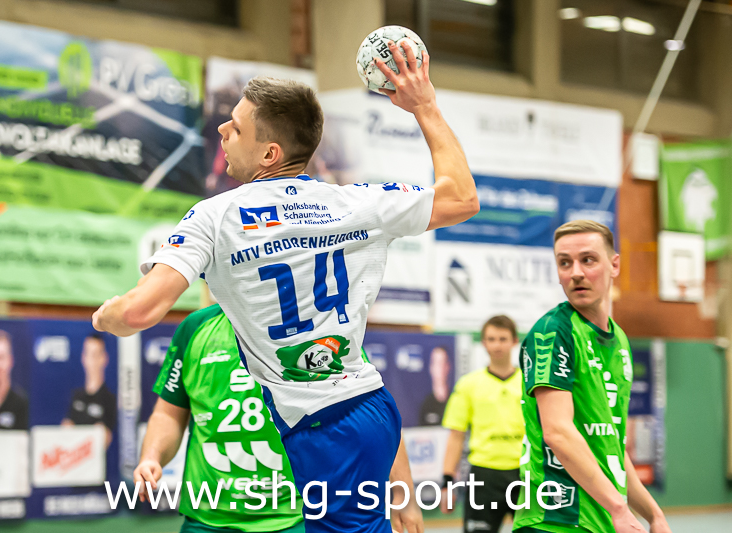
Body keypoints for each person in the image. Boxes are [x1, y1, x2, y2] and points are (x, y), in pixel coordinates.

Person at [94, 41, 478, 532]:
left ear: (269, 153)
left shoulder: (215, 216)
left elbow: (138, 313)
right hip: (371, 408)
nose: (222, 130)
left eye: (236, 127)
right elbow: (462, 198)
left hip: (319, 427)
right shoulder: (356, 201)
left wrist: (106, 315)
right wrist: (424, 105)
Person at [135, 304, 423, 533]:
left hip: (297, 516)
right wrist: (151, 457)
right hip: (208, 518)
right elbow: (168, 414)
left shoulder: (319, 326)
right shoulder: (195, 328)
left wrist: (403, 495)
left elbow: (368, 410)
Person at [513, 221, 671, 533]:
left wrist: (654, 515)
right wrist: (618, 507)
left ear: (614, 265)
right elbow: (558, 432)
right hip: (556, 519)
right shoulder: (553, 332)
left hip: (602, 519)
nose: (576, 273)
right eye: (564, 263)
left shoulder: (620, 340)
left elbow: (612, 446)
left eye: (588, 260)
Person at [439, 316, 525, 533]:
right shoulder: (468, 384)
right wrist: (447, 482)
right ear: (484, 342)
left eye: (503, 339)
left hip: (525, 473)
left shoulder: (530, 383)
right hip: (484, 476)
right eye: (491, 339)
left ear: (514, 341)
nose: (497, 345)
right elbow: (456, 436)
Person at [62, 334, 116, 448]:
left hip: (97, 457)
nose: (92, 360)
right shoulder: (76, 396)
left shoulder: (109, 399)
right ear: (83, 358)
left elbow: (107, 438)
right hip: (75, 455)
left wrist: (100, 434)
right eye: (88, 354)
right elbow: (66, 428)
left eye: (95, 355)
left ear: (104, 358)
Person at [418, 346, 452, 426]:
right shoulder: (426, 404)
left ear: (448, 366)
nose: (440, 368)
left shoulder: (455, 400)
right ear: (431, 368)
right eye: (436, 363)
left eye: (442, 363)